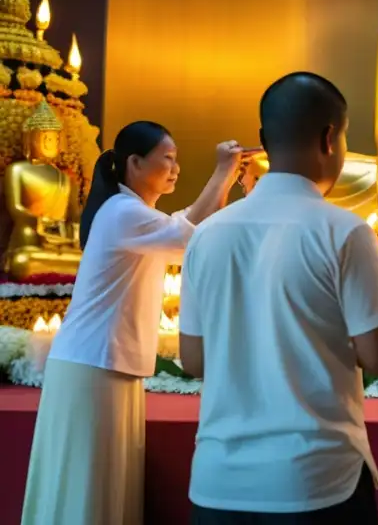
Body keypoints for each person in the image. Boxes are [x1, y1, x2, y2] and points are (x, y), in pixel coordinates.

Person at [179, 72, 378, 524]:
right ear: (330, 139)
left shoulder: (205, 235)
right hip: (314, 480)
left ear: (263, 140)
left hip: (219, 481)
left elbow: (193, 361)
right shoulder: (344, 230)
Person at [21, 122, 246, 525]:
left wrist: (226, 181)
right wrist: (222, 173)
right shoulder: (123, 213)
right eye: (168, 158)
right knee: (88, 485)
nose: (175, 167)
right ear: (135, 163)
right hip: (92, 365)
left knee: (108, 482)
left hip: (106, 365)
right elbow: (192, 232)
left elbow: (193, 232)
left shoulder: (137, 215)